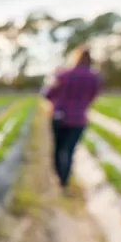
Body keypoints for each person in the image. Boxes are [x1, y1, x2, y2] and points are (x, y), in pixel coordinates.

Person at [43, 45, 102, 189]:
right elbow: (93, 97)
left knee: (57, 148)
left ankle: (58, 175)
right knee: (69, 151)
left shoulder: (63, 74)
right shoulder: (94, 78)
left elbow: (47, 93)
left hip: (60, 116)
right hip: (79, 119)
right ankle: (64, 180)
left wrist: (58, 101)